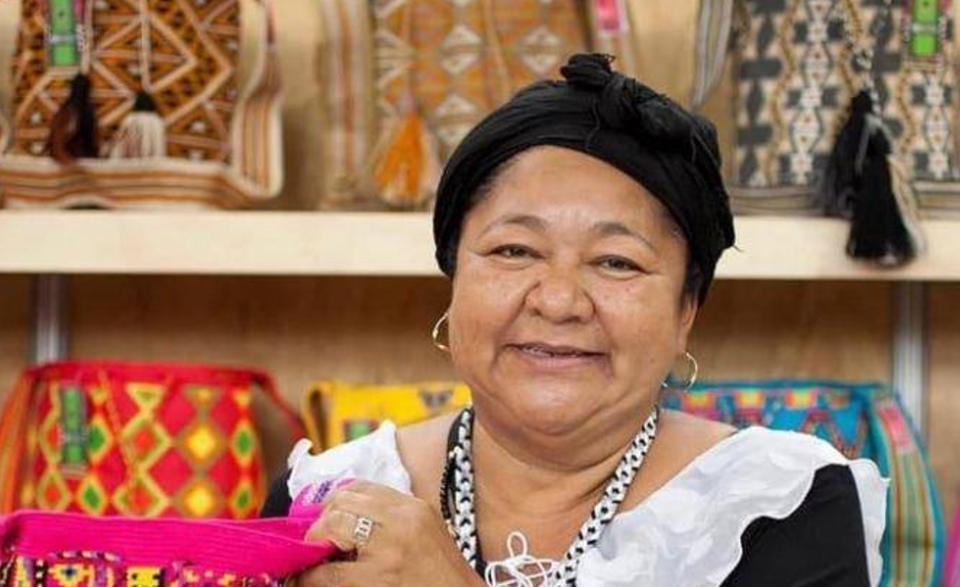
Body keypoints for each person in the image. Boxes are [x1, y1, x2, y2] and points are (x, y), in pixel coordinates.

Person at [262, 53, 886, 587]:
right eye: (514, 251)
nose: (559, 301)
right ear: (453, 281)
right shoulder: (328, 496)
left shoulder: (776, 503)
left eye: (616, 262)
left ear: (685, 314)